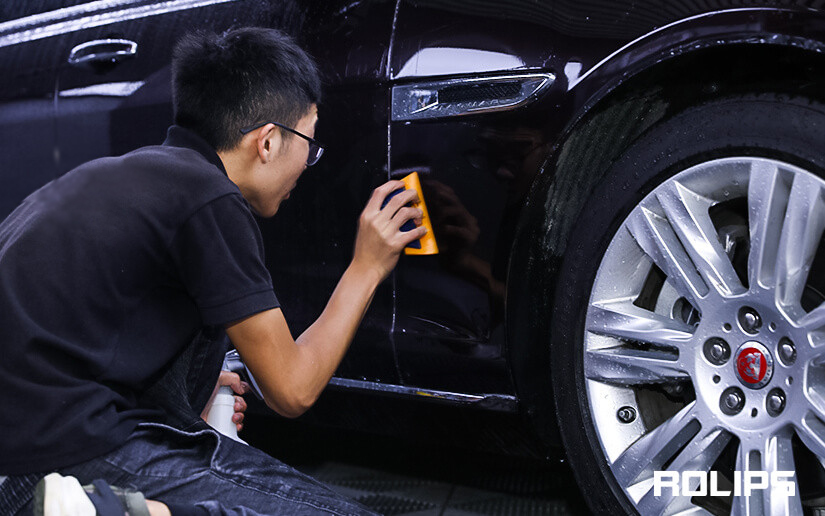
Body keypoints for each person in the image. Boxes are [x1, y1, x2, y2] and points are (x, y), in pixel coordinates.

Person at [0, 27, 426, 515]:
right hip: (57, 456)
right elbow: (291, 391)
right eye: (310, 141)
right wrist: (366, 268)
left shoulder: (133, 176)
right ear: (268, 142)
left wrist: (193, 389)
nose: (310, 162)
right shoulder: (210, 198)